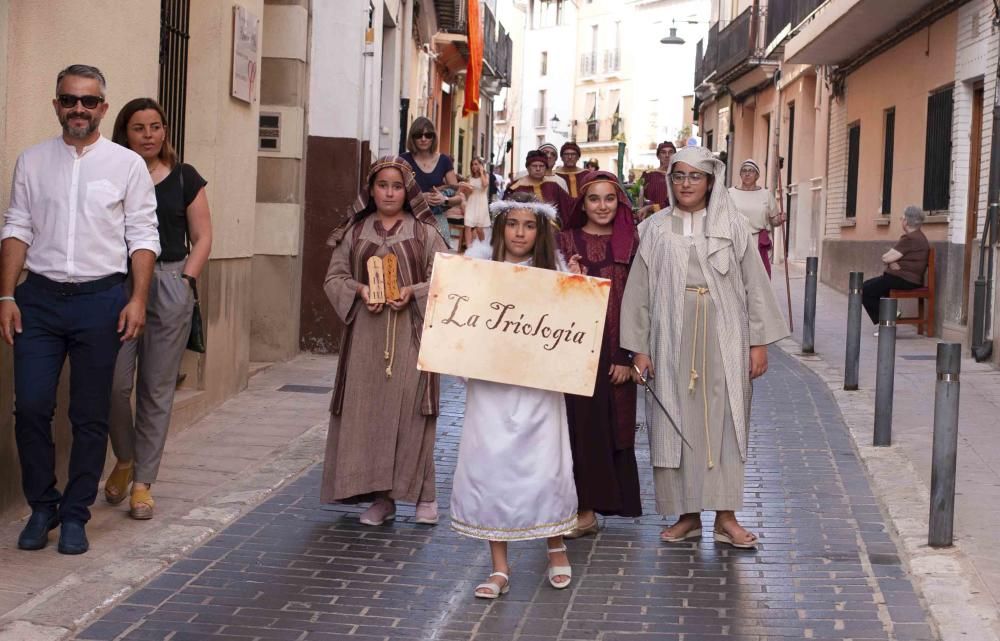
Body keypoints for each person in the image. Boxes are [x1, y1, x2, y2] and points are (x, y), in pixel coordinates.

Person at [0, 65, 160, 554]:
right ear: (56, 105)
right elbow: (17, 226)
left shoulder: (126, 165)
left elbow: (143, 234)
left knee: (90, 413)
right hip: (40, 301)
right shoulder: (32, 161)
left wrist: (138, 298)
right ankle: (42, 506)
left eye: (89, 102)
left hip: (102, 300)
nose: (79, 109)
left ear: (103, 108)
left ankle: (75, 514)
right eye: (69, 100)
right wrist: (6, 294)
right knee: (29, 408)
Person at [620, 146, 788, 549]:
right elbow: (638, 292)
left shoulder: (733, 227)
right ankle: (687, 514)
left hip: (725, 333)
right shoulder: (655, 229)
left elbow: (755, 287)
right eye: (679, 176)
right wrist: (639, 349)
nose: (686, 184)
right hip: (670, 334)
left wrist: (758, 344)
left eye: (695, 176)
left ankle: (725, 516)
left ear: (711, 181)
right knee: (674, 422)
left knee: (727, 420)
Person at [451, 192, 577, 599]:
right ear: (500, 226)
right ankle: (499, 567)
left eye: (528, 225)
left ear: (539, 231)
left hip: (538, 388)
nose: (520, 233)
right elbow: (458, 324)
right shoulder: (475, 267)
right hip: (491, 387)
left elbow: (572, 332)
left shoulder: (554, 271)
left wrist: (577, 291)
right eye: (512, 224)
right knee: (491, 466)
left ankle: (555, 544)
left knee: (545, 466)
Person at [321, 156, 448, 526]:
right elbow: (334, 277)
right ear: (372, 189)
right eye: (382, 185)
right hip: (365, 337)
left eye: (396, 186)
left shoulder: (425, 232)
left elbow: (446, 277)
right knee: (369, 416)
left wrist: (412, 292)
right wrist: (359, 289)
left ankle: (425, 495)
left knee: (412, 413)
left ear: (407, 191)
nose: (389, 192)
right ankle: (381, 499)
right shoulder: (355, 232)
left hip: (411, 334)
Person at [102, 97, 213, 520]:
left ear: (165, 131)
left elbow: (202, 235)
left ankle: (143, 483)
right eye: (138, 128)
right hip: (118, 284)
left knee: (156, 389)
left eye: (155, 127)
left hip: (168, 281)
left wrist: (186, 280)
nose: (148, 135)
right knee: (113, 385)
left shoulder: (185, 177)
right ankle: (125, 458)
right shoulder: (111, 174)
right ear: (123, 133)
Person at [557, 172, 642, 537]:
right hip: (572, 349)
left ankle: (594, 507)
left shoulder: (632, 242)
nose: (602, 206)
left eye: (610, 198)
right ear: (583, 203)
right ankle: (580, 509)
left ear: (619, 203)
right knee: (575, 429)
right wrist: (567, 276)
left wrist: (629, 355)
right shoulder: (565, 240)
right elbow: (546, 290)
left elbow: (642, 302)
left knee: (610, 429)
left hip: (615, 350)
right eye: (594, 199)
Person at [862, 205, 930, 334]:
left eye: (902, 218)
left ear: (906, 221)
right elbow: (891, 258)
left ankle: (889, 319)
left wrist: (891, 261)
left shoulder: (910, 238)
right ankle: (889, 321)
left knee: (864, 289)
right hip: (905, 278)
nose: (901, 221)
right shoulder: (918, 236)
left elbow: (886, 257)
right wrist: (892, 262)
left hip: (904, 279)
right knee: (875, 287)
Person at [401, 117, 463, 247]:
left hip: (437, 219)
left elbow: (459, 197)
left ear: (433, 137)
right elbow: (395, 191)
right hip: (410, 218)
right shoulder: (403, 159)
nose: (423, 139)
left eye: (428, 135)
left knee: (439, 261)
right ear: (412, 137)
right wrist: (419, 197)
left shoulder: (444, 160)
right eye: (419, 135)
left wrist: (444, 199)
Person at [728, 159, 783, 278]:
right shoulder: (730, 193)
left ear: (757, 175)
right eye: (744, 171)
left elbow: (774, 221)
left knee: (758, 278)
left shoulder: (766, 194)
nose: (747, 174)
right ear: (740, 174)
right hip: (736, 239)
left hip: (758, 241)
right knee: (737, 278)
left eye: (751, 171)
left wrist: (781, 219)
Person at [504, 150, 573, 225]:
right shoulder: (515, 188)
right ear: (528, 168)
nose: (538, 169)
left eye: (541, 166)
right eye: (534, 166)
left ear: (546, 168)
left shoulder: (553, 186)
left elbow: (568, 207)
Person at [636, 141, 676, 221]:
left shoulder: (679, 177)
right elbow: (637, 198)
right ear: (658, 156)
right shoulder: (648, 176)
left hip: (674, 219)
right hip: (651, 219)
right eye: (663, 152)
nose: (667, 155)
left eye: (670, 152)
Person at [463, 157, 491, 246]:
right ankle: (468, 249)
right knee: (467, 225)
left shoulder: (486, 176)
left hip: (481, 204)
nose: (473, 166)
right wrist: (468, 190)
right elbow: (467, 194)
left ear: (480, 165)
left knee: (479, 229)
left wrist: (482, 172)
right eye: (472, 164)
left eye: (476, 164)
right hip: (471, 203)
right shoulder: (469, 178)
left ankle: (484, 246)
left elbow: (485, 184)